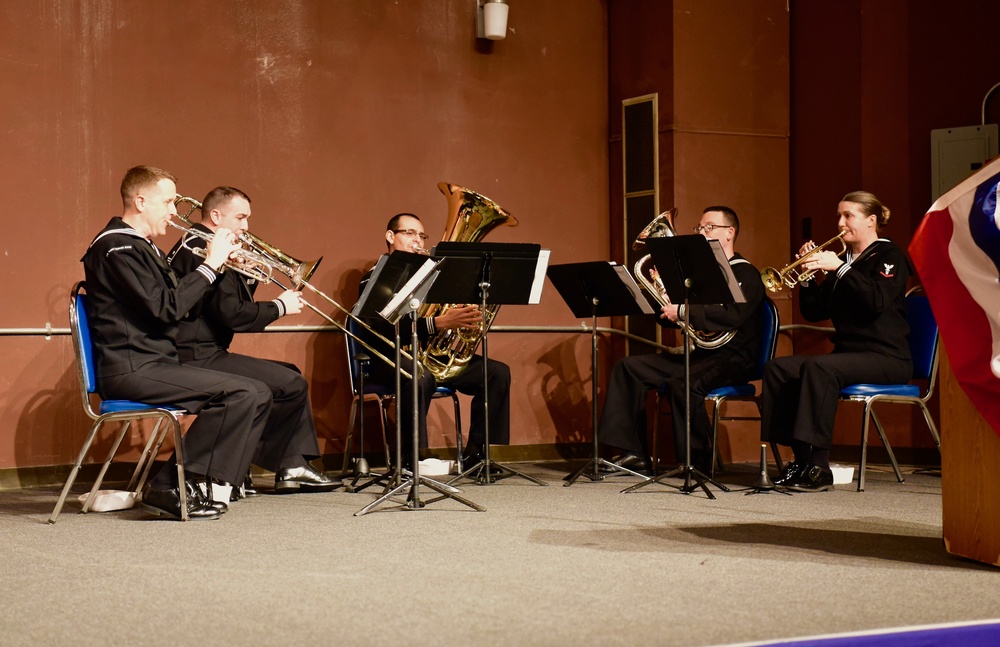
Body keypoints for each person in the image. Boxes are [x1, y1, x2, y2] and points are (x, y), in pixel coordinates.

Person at [82, 166, 270, 520]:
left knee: (257, 391)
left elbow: (183, 309)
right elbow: (165, 308)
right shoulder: (115, 246)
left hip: (155, 362)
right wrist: (210, 266)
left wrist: (223, 270)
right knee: (240, 394)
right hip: (132, 367)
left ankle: (207, 484)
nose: (174, 211)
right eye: (168, 202)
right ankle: (169, 485)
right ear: (140, 201)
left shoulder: (142, 247)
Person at [168, 186, 340, 496]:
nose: (246, 227)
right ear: (216, 215)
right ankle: (274, 464)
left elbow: (228, 303)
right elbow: (233, 316)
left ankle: (290, 463)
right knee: (289, 384)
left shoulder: (209, 246)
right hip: (194, 355)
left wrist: (245, 274)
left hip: (204, 350)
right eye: (240, 217)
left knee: (289, 374)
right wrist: (280, 307)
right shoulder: (200, 248)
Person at [760, 191, 911, 492]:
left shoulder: (889, 255)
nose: (840, 223)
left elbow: (877, 301)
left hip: (888, 357)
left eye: (848, 216)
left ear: (871, 221)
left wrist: (840, 269)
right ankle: (801, 460)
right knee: (778, 369)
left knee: (820, 368)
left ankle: (819, 467)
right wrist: (805, 277)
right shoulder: (843, 260)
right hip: (849, 355)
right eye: (839, 216)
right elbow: (816, 311)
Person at [597, 206, 765, 475]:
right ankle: (633, 453)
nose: (701, 233)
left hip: (735, 357)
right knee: (628, 367)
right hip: (704, 354)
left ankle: (696, 463)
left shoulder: (746, 274)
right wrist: (665, 301)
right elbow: (673, 317)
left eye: (709, 227)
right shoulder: (699, 275)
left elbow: (733, 315)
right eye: (699, 228)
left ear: (729, 233)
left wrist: (685, 311)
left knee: (683, 384)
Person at [357, 212, 511, 467]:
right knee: (420, 376)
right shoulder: (374, 278)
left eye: (421, 235)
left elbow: (445, 320)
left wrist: (462, 316)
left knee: (496, 372)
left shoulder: (432, 278)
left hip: (428, 357)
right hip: (387, 358)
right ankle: (409, 460)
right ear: (390, 236)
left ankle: (477, 456)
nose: (417, 240)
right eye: (409, 233)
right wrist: (439, 322)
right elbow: (380, 327)